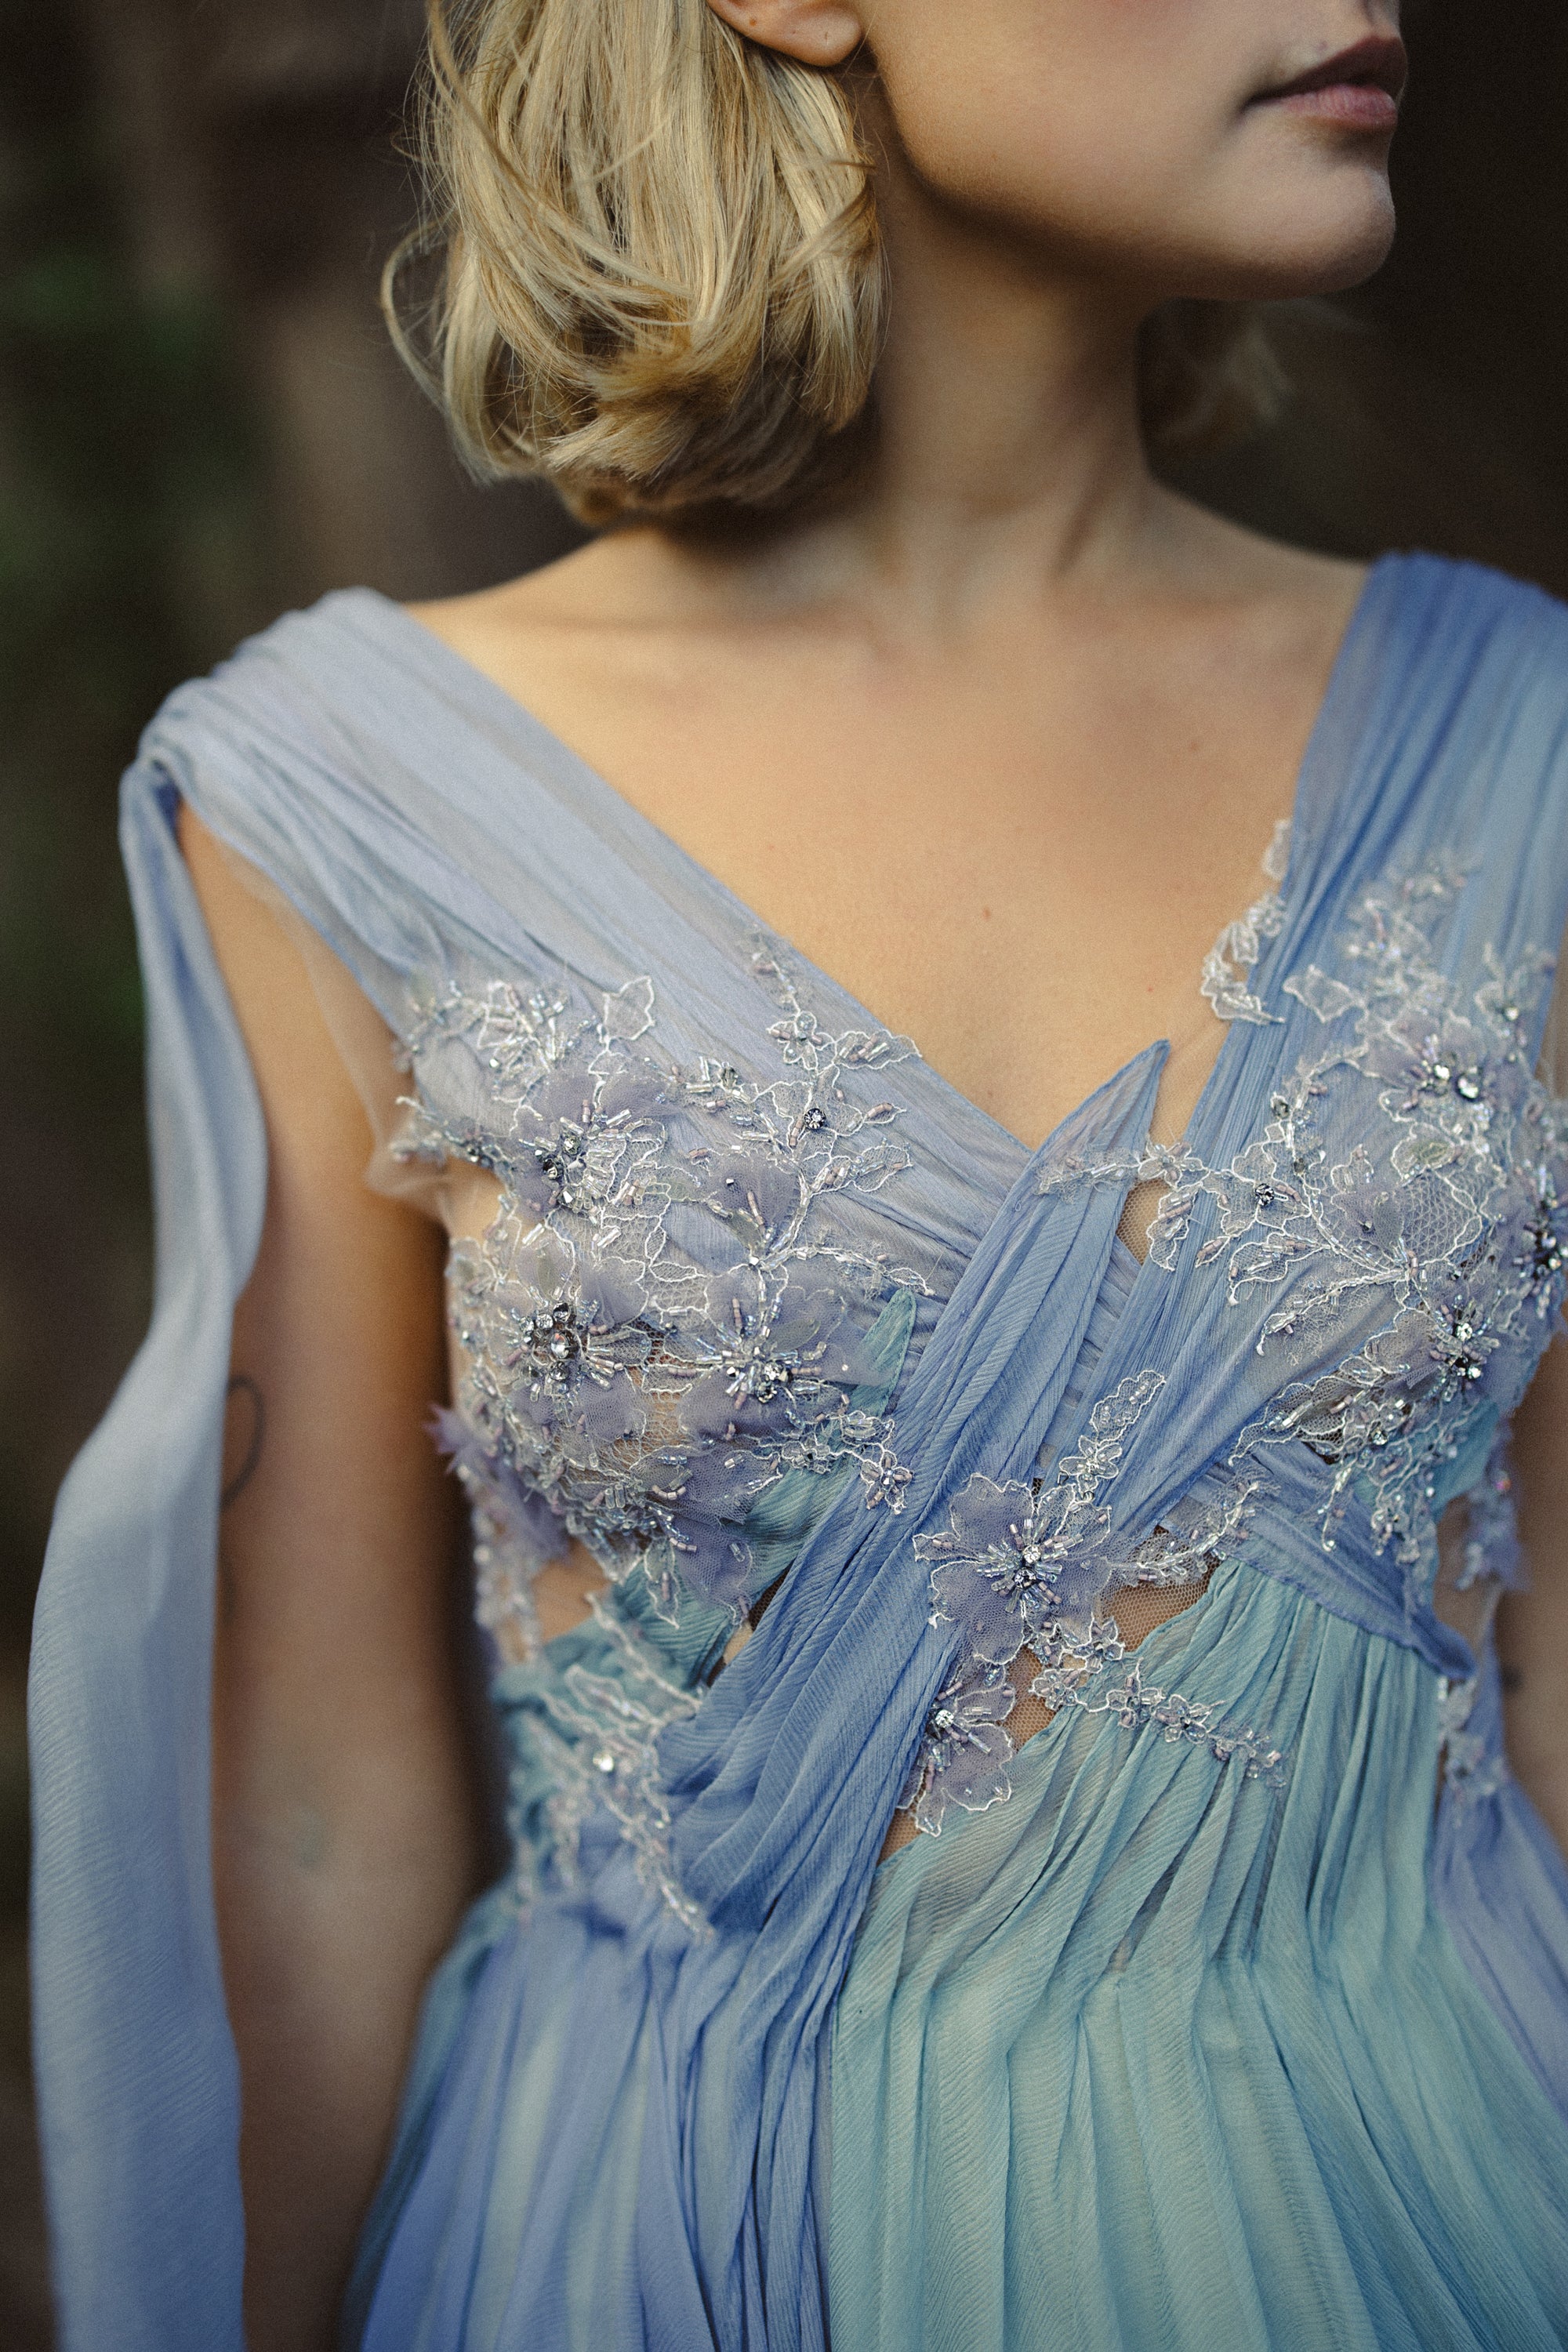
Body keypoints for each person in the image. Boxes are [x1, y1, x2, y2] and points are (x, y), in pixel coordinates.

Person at [29, 1, 1568, 2346]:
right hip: (648, 2250)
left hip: (1440, 2206)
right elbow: (320, 1810)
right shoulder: (340, 802)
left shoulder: (1529, 752)